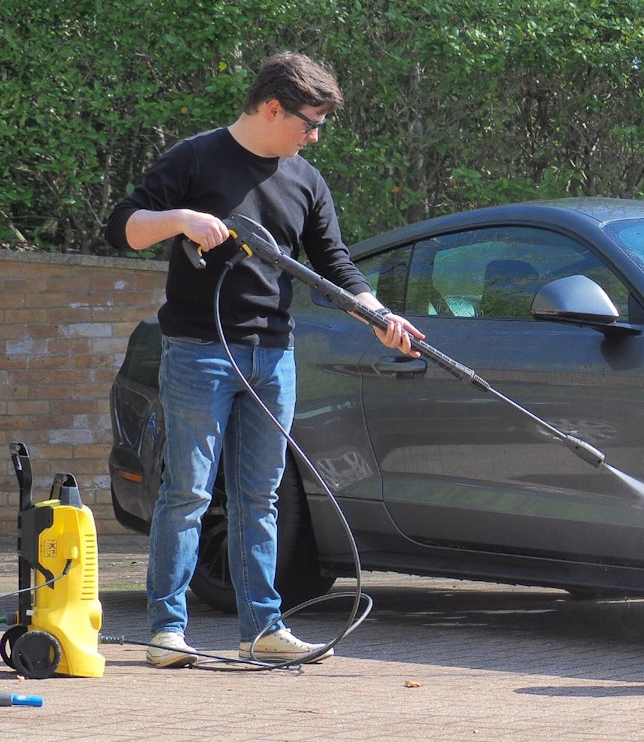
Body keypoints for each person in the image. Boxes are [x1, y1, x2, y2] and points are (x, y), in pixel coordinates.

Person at [105, 51, 423, 668]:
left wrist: (378, 315)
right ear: (272, 108)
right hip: (199, 351)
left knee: (261, 495)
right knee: (189, 492)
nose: (314, 137)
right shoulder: (194, 157)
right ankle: (166, 631)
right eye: (309, 123)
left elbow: (334, 262)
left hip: (274, 356)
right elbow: (125, 227)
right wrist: (183, 220)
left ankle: (262, 628)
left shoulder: (304, 179)